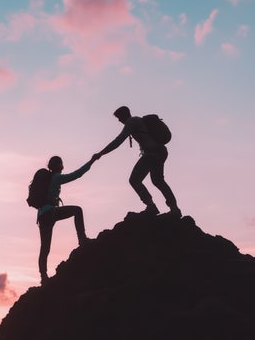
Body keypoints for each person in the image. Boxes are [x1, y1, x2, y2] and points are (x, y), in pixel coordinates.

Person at [93, 106, 182, 218]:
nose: (119, 121)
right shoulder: (137, 120)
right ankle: (174, 209)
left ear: (124, 115)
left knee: (134, 180)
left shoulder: (131, 121)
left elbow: (118, 140)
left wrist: (101, 153)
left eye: (119, 117)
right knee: (158, 181)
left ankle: (151, 206)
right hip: (160, 151)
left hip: (152, 153)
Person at [37, 155, 97, 285]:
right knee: (77, 210)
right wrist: (91, 161)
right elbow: (76, 175)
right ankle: (82, 239)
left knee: (45, 248)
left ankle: (44, 277)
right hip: (51, 212)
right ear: (60, 166)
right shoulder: (56, 177)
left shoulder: (48, 179)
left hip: (42, 215)